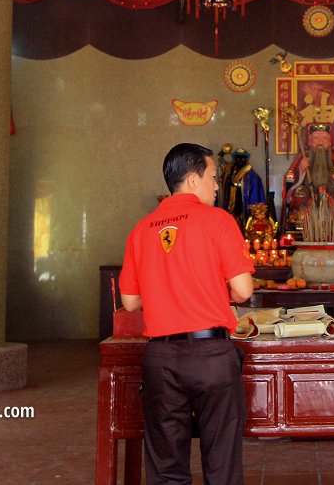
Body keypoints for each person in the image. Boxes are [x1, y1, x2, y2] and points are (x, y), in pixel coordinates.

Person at [118, 143, 255, 485]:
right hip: (211, 357)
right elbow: (243, 290)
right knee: (221, 462)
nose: (215, 185)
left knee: (166, 466)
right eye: (212, 177)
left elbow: (131, 301)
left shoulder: (141, 229)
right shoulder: (219, 221)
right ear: (193, 180)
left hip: (161, 358)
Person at [283, 123, 334, 231]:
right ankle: (303, 223)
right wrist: (301, 170)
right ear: (309, 141)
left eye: (325, 138)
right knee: (299, 192)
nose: (320, 141)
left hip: (332, 194)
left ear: (330, 141)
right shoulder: (303, 156)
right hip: (309, 195)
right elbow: (290, 179)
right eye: (316, 138)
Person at [221, 147, 266, 227]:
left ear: (246, 159)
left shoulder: (252, 176)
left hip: (245, 203)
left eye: (243, 158)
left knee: (246, 222)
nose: (240, 161)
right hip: (233, 202)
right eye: (238, 158)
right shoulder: (232, 171)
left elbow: (256, 194)